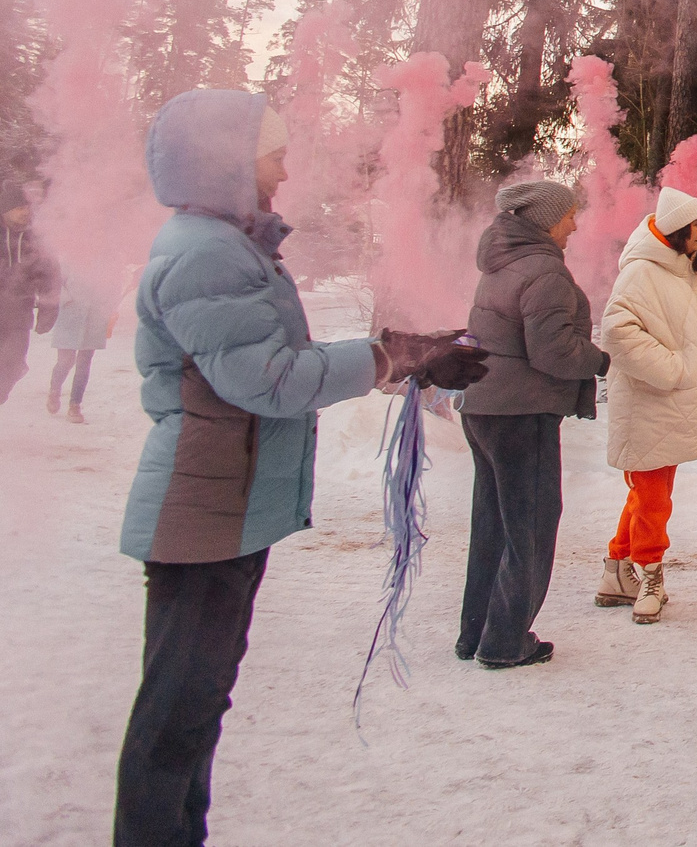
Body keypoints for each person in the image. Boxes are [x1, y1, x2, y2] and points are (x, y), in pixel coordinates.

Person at [115, 89, 487, 847]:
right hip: (203, 510)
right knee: (177, 714)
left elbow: (272, 360)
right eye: (272, 155)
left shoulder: (226, 245)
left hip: (225, 502)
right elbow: (271, 379)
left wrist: (401, 350)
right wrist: (392, 357)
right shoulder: (207, 252)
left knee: (195, 707)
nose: (284, 172)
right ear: (224, 162)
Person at [457, 178, 608, 668]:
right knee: (531, 530)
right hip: (521, 414)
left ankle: (475, 633)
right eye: (569, 216)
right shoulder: (545, 271)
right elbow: (552, 352)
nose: (575, 225)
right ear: (545, 220)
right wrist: (599, 360)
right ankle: (504, 642)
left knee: (493, 525)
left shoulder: (500, 263)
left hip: (483, 407)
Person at [597, 185, 697, 621]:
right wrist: (674, 370)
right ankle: (649, 577)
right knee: (653, 497)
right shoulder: (640, 272)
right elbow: (616, 333)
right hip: (651, 404)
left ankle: (616, 573)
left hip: (678, 406)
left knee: (647, 492)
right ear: (679, 228)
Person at [1, 179, 61, 408]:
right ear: (5, 210)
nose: (25, 212)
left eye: (27, 207)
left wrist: (49, 307)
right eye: (19, 208)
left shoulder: (35, 237)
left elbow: (50, 273)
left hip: (19, 312)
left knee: (14, 363)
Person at [48, 260, 116, 423]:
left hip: (94, 316)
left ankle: (75, 405)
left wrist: (108, 307)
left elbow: (113, 286)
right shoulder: (71, 256)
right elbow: (56, 282)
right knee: (65, 361)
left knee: (84, 363)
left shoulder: (107, 260)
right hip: (70, 314)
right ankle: (54, 390)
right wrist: (66, 300)